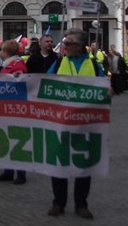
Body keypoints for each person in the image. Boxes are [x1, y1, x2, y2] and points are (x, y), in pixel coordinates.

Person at [46, 28, 106, 220]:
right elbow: (43, 83)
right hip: (61, 121)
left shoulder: (95, 65)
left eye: (68, 43)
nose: (64, 46)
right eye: (64, 42)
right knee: (59, 163)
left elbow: (104, 85)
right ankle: (58, 202)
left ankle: (81, 204)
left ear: (79, 46)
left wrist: (109, 92)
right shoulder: (58, 63)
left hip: (86, 123)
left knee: (83, 165)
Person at [0, 40, 28, 184]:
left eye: (1, 50)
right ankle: (8, 170)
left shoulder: (17, 65)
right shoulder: (7, 65)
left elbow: (24, 82)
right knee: (7, 139)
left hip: (16, 107)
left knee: (18, 141)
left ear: (7, 52)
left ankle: (21, 173)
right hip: (5, 106)